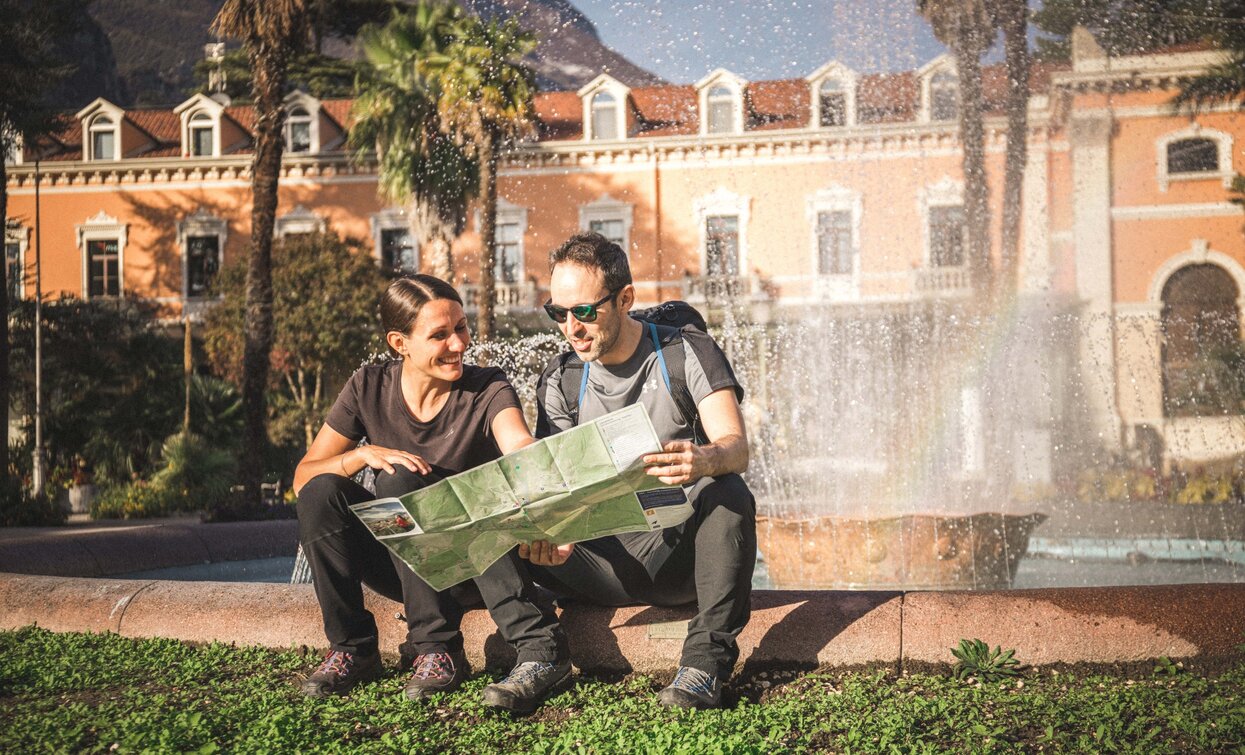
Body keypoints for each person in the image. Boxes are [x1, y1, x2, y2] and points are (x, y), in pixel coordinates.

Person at [293, 274, 570, 713]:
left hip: (475, 562)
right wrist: (360, 456)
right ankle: (353, 648)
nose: (459, 344)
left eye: (460, 327)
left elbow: (517, 443)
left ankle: (438, 648)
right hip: (402, 566)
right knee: (320, 492)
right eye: (439, 335)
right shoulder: (368, 385)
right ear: (399, 342)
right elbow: (303, 475)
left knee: (398, 481)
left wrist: (554, 504)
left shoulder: (487, 387)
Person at [522, 232, 757, 709]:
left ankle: (703, 668)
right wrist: (552, 529)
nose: (572, 327)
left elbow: (737, 448)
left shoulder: (684, 352)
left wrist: (706, 458)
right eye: (558, 313)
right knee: (500, 515)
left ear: (625, 298)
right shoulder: (561, 378)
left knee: (729, 491)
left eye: (585, 311)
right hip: (594, 564)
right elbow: (556, 483)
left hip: (678, 560)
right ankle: (539, 656)